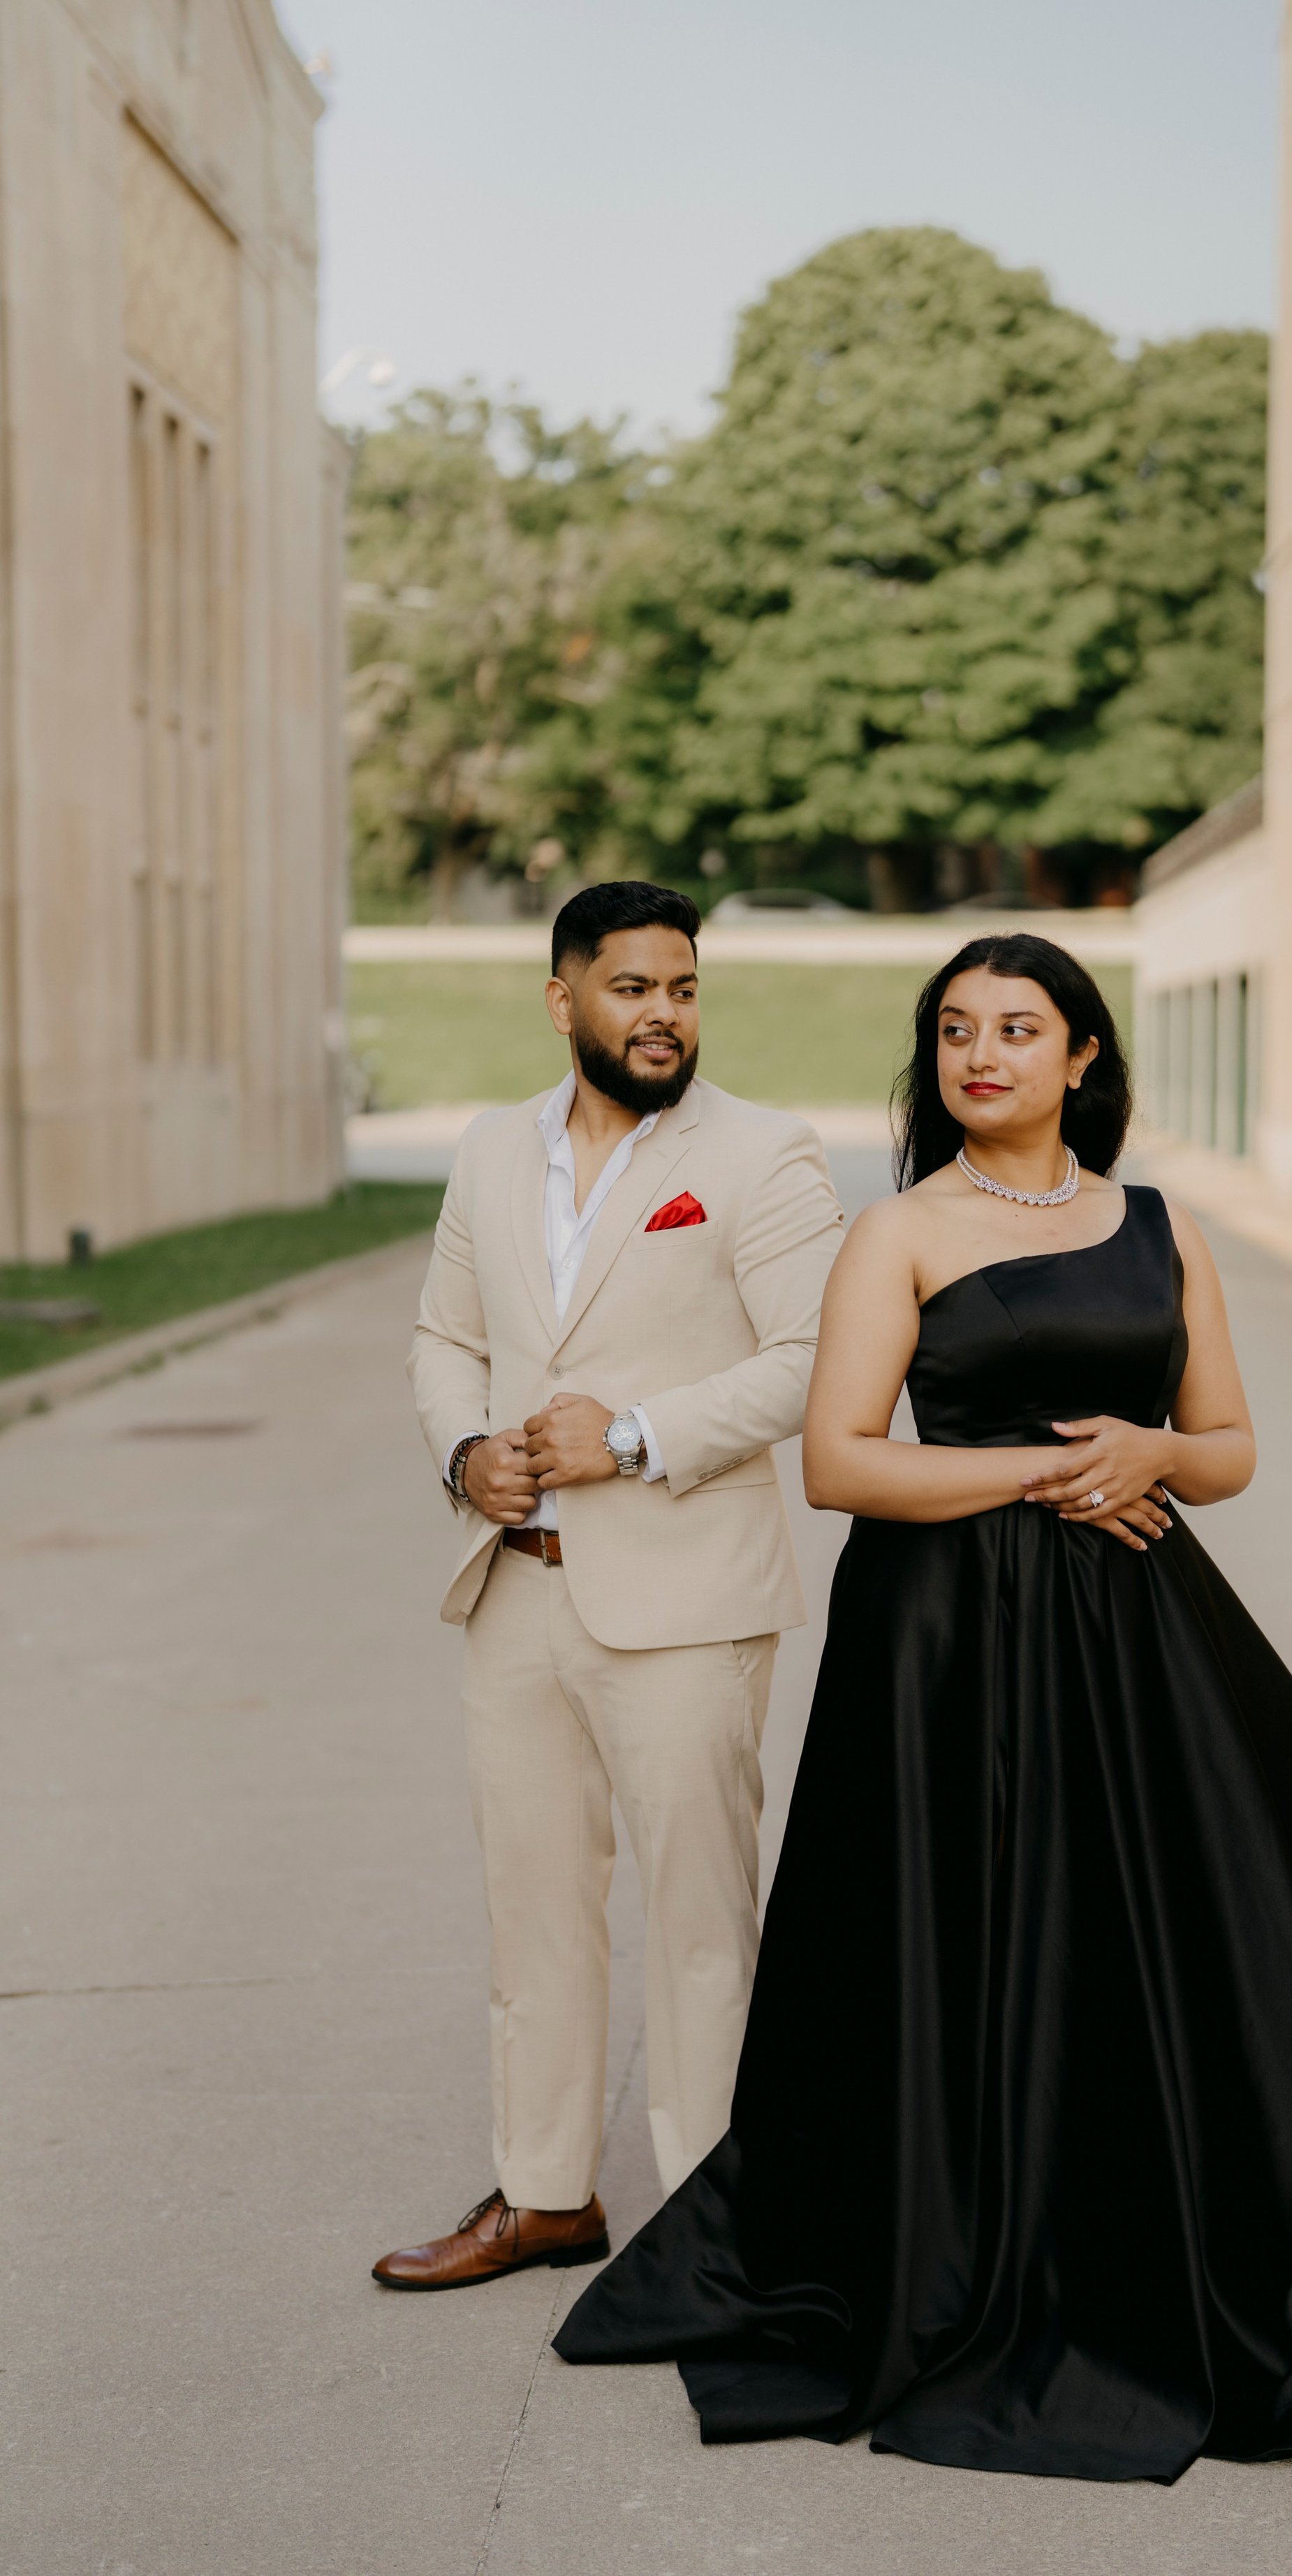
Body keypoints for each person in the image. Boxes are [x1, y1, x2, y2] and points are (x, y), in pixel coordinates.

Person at [553, 930, 1292, 2487]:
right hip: (944, 1643)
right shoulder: (896, 1233)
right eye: (954, 1029)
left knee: (1223, 1933)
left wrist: (1155, 1449)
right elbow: (840, 1463)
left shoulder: (1158, 1227)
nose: (980, 1053)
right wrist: (1059, 1469)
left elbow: (1229, 1441)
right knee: (972, 1932)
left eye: (1018, 1026)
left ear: (1083, 1057)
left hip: (1134, 1626)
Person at [372, 881, 843, 2291]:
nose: (663, 1014)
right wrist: (465, 1447)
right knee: (533, 1909)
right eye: (633, 987)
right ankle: (544, 2193)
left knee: (701, 1921)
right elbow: (443, 1333)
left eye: (683, 987)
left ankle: (716, 2228)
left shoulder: (760, 1153)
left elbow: (816, 1353)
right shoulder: (486, 1149)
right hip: (515, 1589)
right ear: (563, 995)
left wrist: (634, 1435)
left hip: (687, 1599)